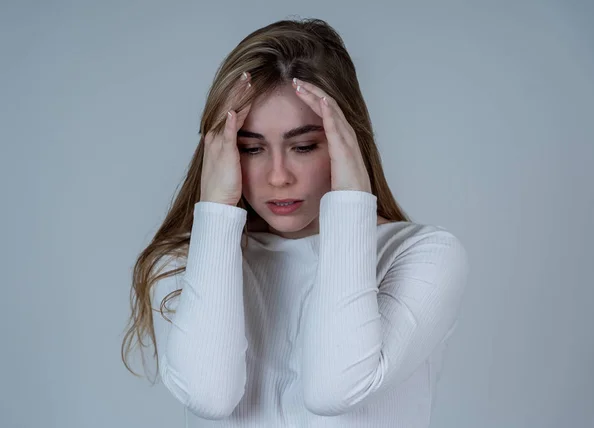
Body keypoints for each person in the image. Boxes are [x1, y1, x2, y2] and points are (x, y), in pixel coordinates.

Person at [121, 18, 470, 427]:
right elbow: (210, 396)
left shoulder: (422, 257)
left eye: (303, 146)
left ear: (347, 141)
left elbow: (335, 389)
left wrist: (351, 200)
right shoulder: (185, 262)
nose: (278, 176)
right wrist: (215, 209)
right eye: (251, 148)